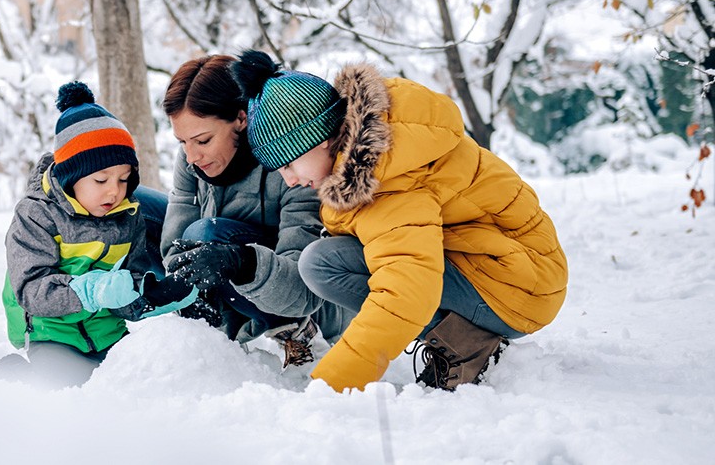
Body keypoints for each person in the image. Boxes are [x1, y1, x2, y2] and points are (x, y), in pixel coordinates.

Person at [229, 49, 568, 391]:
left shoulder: (388, 176)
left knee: (324, 264)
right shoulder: (380, 144)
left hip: (518, 289)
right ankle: (465, 337)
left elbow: (405, 291)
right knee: (325, 258)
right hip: (507, 268)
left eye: (288, 164)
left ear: (322, 139)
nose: (288, 180)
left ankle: (466, 346)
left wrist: (331, 384)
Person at [143, 54, 355, 368]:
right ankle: (192, 323)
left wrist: (236, 263)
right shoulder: (191, 159)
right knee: (133, 205)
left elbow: (302, 286)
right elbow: (174, 244)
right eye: (182, 141)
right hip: (224, 277)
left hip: (298, 297)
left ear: (241, 119)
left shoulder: (292, 164)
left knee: (207, 234)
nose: (191, 156)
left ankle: (295, 335)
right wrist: (185, 282)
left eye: (203, 140)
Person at [0, 81, 199, 389]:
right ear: (72, 176)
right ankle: (14, 374)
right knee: (66, 390)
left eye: (124, 179)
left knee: (135, 385)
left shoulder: (128, 216)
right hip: (51, 333)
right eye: (101, 180)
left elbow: (127, 283)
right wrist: (93, 290)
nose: (115, 190)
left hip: (107, 331)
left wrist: (150, 296)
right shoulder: (36, 214)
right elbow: (32, 290)